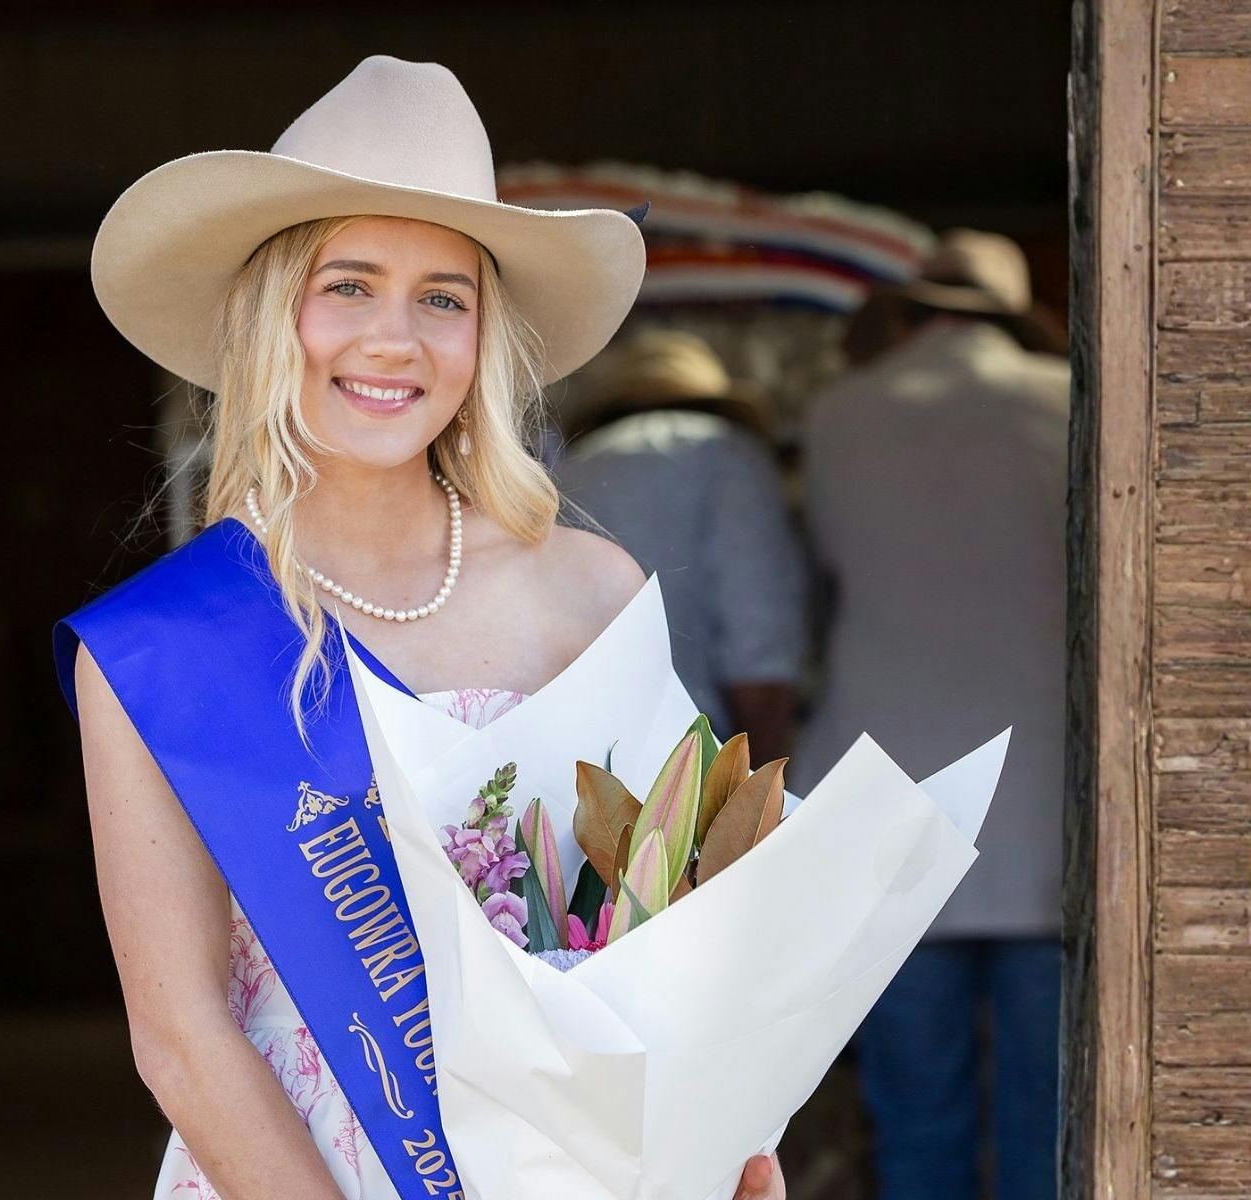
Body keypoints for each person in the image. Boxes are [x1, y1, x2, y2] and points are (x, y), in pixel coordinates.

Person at [50, 57, 786, 1200]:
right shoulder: (161, 650)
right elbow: (183, 1039)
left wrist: (736, 1158)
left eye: (443, 297)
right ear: (268, 315)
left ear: (482, 341)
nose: (395, 338)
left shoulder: (590, 591)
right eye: (347, 285)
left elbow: (690, 942)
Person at [793, 229, 1069, 1200]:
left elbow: (825, 585)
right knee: (1050, 1128)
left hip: (894, 811)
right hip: (1047, 814)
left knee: (918, 1129)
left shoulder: (837, 416)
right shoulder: (1070, 405)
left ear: (909, 314)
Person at [553, 328, 808, 760]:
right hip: (695, 752)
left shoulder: (571, 467)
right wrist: (757, 784)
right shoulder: (727, 452)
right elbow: (759, 632)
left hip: (579, 750)